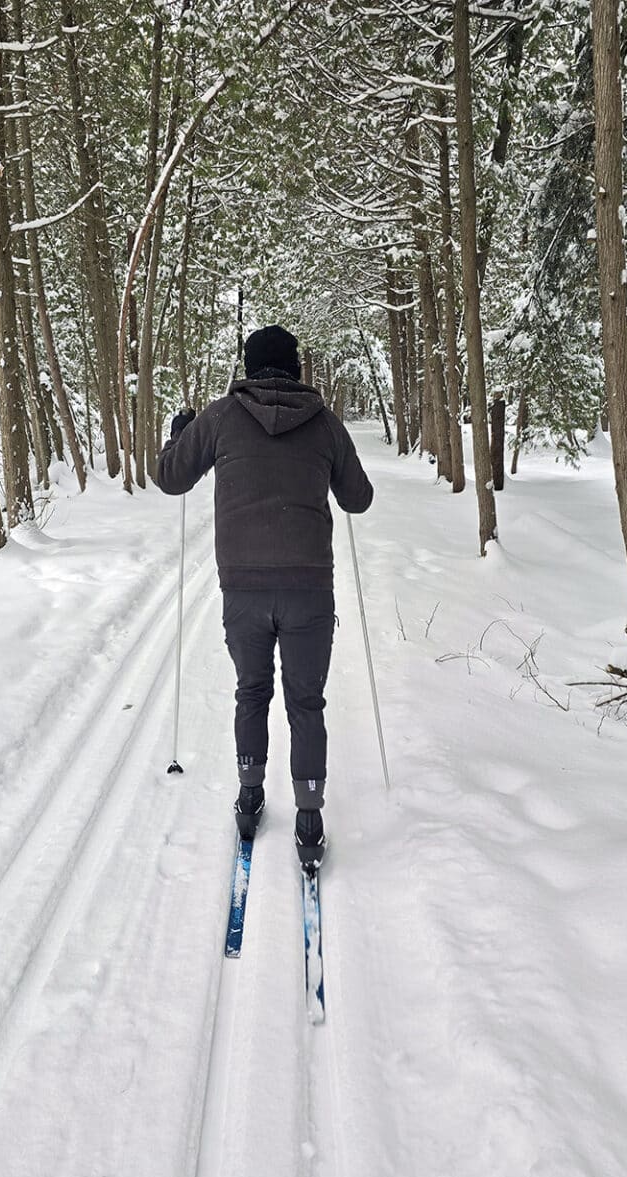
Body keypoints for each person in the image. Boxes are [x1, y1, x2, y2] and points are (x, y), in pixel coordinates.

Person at [156, 324, 374, 869]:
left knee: (251, 692)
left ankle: (250, 798)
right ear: (297, 368)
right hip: (308, 590)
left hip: (244, 589)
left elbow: (170, 477)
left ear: (248, 368)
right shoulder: (324, 423)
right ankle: (308, 816)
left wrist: (178, 435)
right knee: (307, 702)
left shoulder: (222, 416)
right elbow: (359, 499)